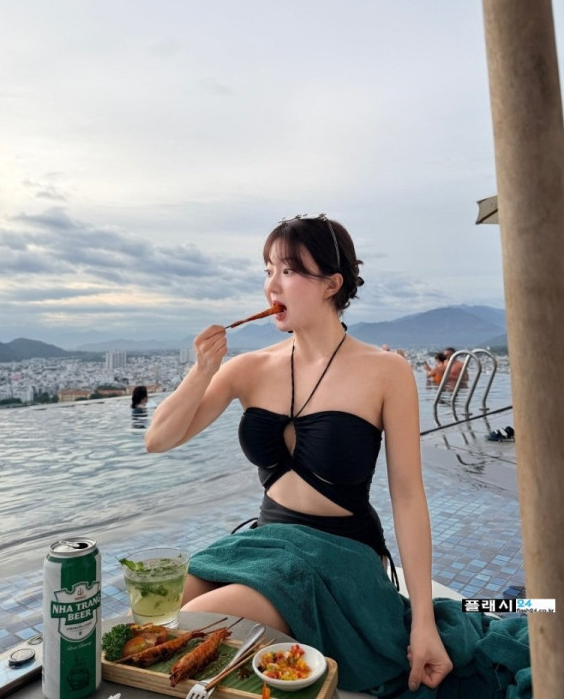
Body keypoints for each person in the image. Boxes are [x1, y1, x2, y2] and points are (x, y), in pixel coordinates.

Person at [145, 215, 452, 693]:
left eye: (288, 271)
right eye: (268, 270)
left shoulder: (386, 371)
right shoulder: (248, 368)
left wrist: (424, 623)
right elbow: (158, 439)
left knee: (194, 620)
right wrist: (202, 369)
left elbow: (409, 497)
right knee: (155, 611)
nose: (272, 285)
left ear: (332, 283)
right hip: (267, 544)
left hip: (341, 555)